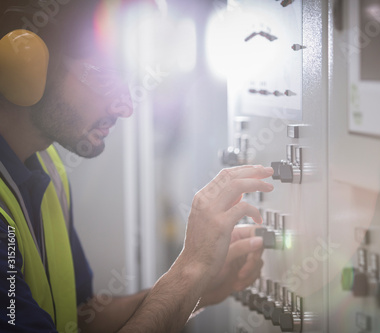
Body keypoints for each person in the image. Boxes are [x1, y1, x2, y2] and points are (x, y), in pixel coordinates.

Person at [0, 1, 273, 332]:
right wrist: (192, 267)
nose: (126, 107)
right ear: (24, 63)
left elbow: (83, 319)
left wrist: (200, 287)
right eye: (106, 79)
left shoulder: (47, 166)